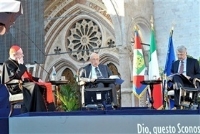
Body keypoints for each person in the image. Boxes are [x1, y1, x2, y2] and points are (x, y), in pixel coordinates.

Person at [1, 45, 55, 113]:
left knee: (42, 85)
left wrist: (37, 79)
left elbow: (28, 76)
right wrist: (21, 65)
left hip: (24, 84)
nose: (23, 55)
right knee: (34, 86)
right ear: (15, 55)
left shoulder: (18, 62)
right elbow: (16, 76)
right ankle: (36, 111)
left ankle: (46, 111)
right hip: (16, 87)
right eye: (21, 54)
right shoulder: (7, 64)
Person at [169, 45, 200, 109]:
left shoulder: (193, 62)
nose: (179, 56)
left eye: (181, 54)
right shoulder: (175, 64)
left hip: (189, 82)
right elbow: (172, 75)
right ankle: (180, 89)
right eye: (178, 55)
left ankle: (177, 106)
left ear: (186, 53)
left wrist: (190, 77)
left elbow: (199, 74)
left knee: (176, 80)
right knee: (176, 76)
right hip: (177, 82)